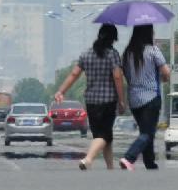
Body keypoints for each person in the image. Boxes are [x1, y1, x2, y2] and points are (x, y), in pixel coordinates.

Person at [53, 23, 125, 171]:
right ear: (113, 39)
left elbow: (74, 74)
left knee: (104, 136)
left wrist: (61, 91)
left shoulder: (86, 54)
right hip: (108, 101)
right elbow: (118, 77)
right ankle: (88, 159)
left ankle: (110, 167)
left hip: (91, 102)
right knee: (104, 135)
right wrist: (122, 100)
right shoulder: (113, 54)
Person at [118, 24, 171, 171]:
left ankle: (150, 163)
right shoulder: (153, 50)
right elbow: (166, 73)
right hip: (151, 98)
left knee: (146, 132)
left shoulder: (127, 53)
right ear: (148, 33)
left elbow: (126, 76)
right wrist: (163, 78)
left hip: (134, 101)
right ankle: (129, 158)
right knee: (148, 133)